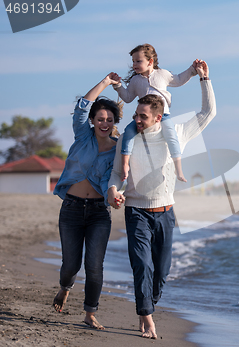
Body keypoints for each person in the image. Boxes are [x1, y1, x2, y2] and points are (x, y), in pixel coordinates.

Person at [107, 61, 214, 339]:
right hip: (136, 211)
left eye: (142, 116)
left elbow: (208, 112)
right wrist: (113, 189)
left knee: (161, 271)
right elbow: (118, 172)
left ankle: (148, 303)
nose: (136, 120)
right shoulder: (126, 140)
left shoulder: (176, 133)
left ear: (157, 117)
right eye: (136, 114)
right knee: (141, 264)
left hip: (166, 212)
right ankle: (146, 314)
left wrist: (205, 80)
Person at [52, 73, 124, 330]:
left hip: (98, 213)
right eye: (100, 119)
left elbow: (111, 180)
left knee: (94, 265)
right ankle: (65, 287)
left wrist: (114, 196)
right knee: (70, 264)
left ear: (115, 122)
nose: (104, 123)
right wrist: (106, 82)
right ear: (93, 121)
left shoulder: (119, 149)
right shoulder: (82, 136)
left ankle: (89, 313)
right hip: (70, 209)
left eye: (109, 119)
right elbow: (82, 105)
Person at [111, 43, 198, 183]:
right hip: (143, 118)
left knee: (171, 137)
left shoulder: (162, 74)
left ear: (150, 61)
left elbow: (179, 80)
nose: (134, 64)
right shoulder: (135, 80)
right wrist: (117, 86)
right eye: (133, 61)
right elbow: (127, 98)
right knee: (128, 132)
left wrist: (192, 69)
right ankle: (125, 164)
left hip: (162, 116)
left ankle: (178, 169)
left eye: (138, 61)